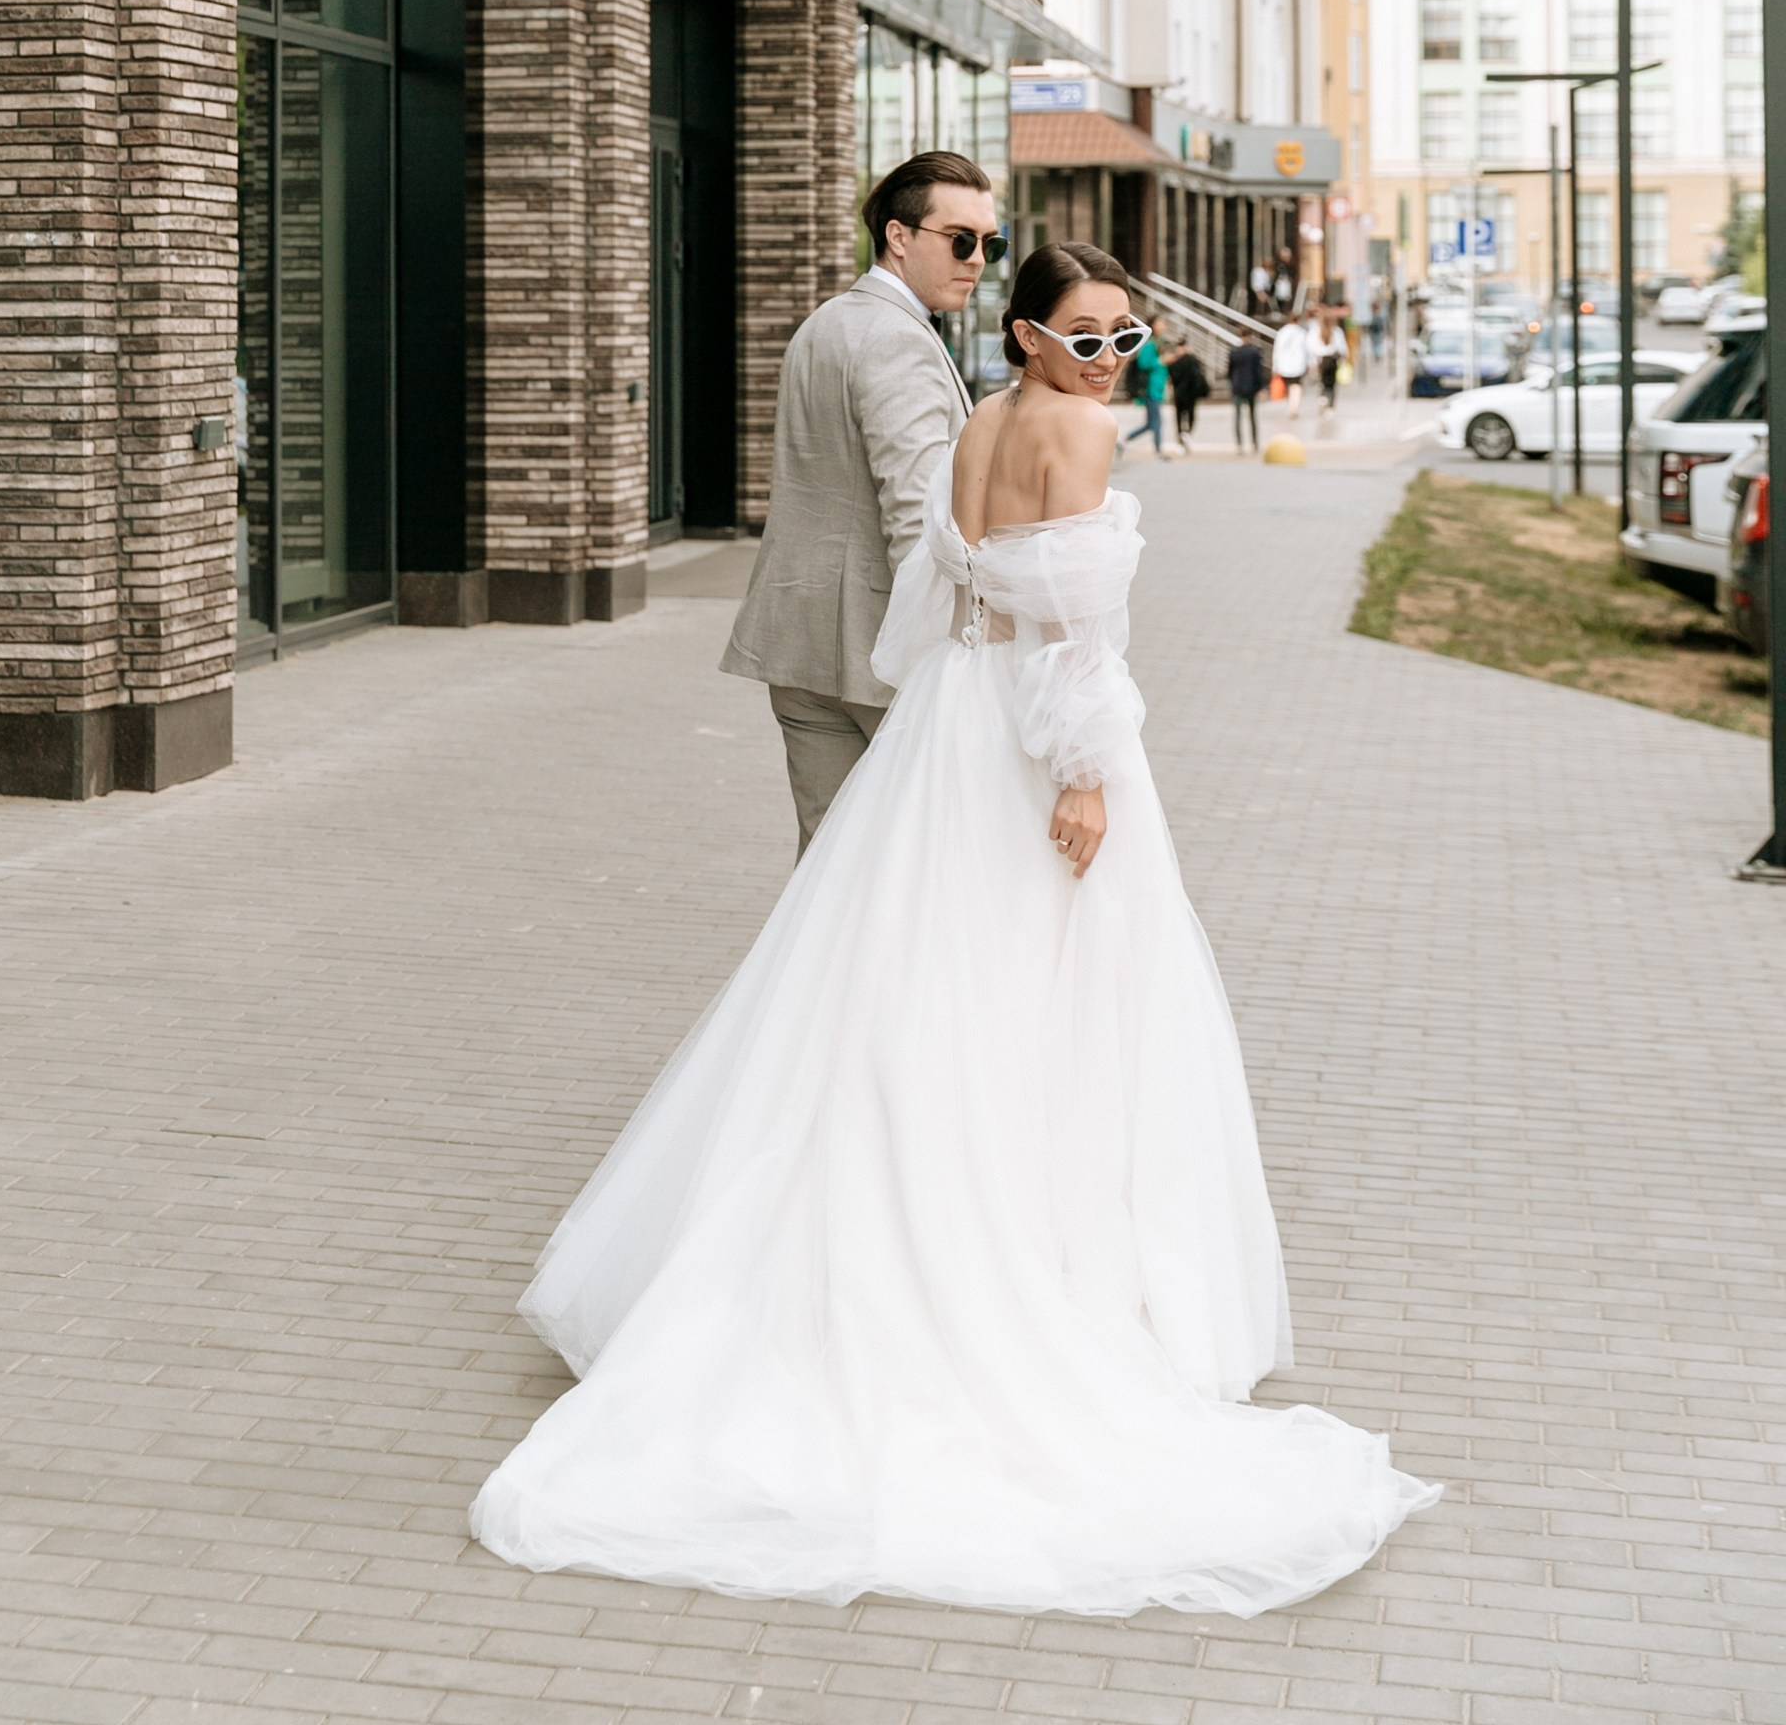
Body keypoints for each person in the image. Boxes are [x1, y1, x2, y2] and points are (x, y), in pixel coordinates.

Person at [471, 241, 1437, 1616]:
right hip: (1036, 742)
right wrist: (1085, 775)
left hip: (948, 726)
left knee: (906, 988)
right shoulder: (1074, 433)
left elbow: (951, 599)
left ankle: (880, 1242)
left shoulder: (983, 418)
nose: (1112, 361)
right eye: (1086, 337)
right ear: (1030, 336)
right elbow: (1075, 637)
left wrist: (972, 718)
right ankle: (1024, 1268)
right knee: (1049, 995)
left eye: (1127, 336)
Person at [722, 150, 998, 856]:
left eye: (989, 245)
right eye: (961, 240)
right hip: (878, 658)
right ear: (898, 237)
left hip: (801, 645)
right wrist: (954, 654)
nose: (977, 260)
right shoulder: (897, 341)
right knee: (921, 865)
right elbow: (917, 516)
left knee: (830, 867)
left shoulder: (827, 322)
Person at [1120, 313, 1170, 456]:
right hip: (1150, 388)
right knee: (1156, 422)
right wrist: (1160, 361)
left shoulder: (1159, 343)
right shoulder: (1149, 344)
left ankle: (1125, 439)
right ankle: (1158, 451)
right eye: (1160, 323)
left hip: (1158, 388)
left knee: (1151, 423)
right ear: (1153, 325)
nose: (1163, 326)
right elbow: (1143, 363)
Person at [1166, 334, 1210, 454]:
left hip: (1180, 393)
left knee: (1179, 418)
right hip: (1190, 393)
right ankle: (1186, 436)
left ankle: (1181, 439)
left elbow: (1171, 376)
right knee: (1190, 416)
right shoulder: (1192, 359)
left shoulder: (1175, 361)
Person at [1226, 330, 1267, 452]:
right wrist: (1262, 386)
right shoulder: (1255, 352)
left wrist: (1232, 383)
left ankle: (1239, 443)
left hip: (1238, 387)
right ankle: (1254, 442)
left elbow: (1229, 371)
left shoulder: (1234, 352)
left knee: (1238, 416)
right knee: (1252, 416)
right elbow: (1259, 371)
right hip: (1251, 387)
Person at [1270, 308, 1310, 417]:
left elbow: (1277, 349)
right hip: (1299, 363)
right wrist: (1309, 362)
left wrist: (1275, 365)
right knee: (1296, 385)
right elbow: (1307, 349)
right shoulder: (1302, 333)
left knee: (1288, 385)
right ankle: (1295, 406)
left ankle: (1290, 406)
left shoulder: (1283, 332)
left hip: (1285, 363)